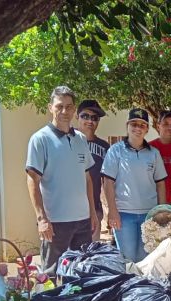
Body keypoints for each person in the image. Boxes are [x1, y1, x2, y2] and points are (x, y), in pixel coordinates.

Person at [25, 86, 98, 278]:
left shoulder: (81, 139)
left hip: (82, 221)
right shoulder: (40, 139)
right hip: (55, 223)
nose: (64, 111)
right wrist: (42, 219)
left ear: (74, 110)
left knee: (82, 272)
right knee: (50, 276)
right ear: (50, 107)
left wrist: (92, 212)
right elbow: (32, 179)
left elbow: (87, 179)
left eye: (69, 107)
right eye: (59, 106)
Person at [101, 108, 167, 262]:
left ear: (147, 129)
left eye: (142, 125)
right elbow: (108, 182)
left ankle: (145, 286)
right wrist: (112, 211)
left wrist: (161, 211)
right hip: (124, 215)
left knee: (147, 259)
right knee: (128, 259)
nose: (138, 128)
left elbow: (160, 184)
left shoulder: (154, 153)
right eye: (134, 124)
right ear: (127, 126)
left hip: (149, 214)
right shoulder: (115, 151)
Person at [76, 99, 110, 241]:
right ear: (77, 117)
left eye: (94, 118)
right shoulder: (67, 141)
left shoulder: (104, 147)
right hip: (69, 210)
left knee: (90, 255)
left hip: (94, 210)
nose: (90, 121)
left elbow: (108, 181)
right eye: (85, 116)